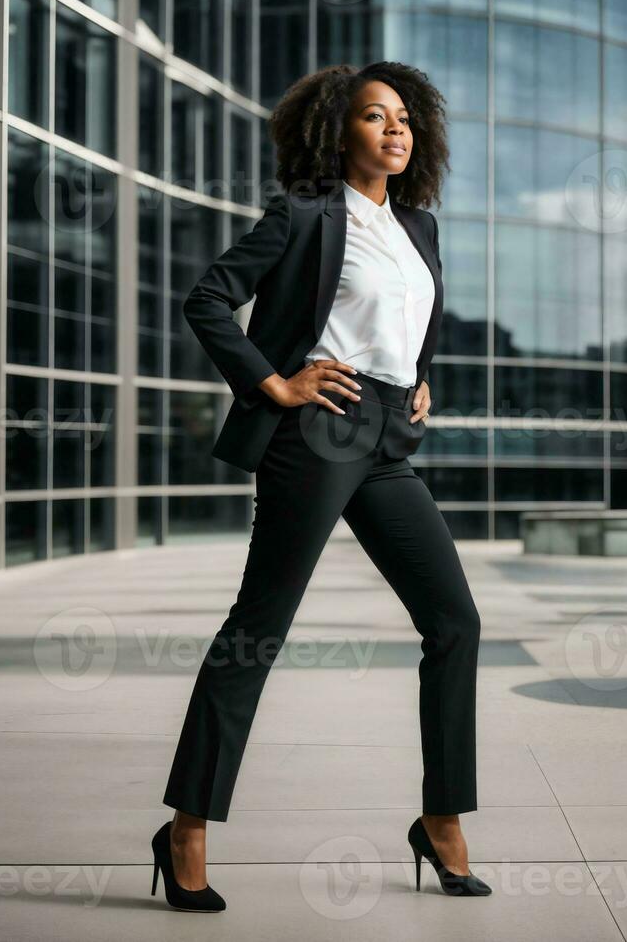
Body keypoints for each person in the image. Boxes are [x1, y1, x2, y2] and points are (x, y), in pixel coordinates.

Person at [151, 63, 491, 911]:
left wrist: (421, 378)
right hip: (318, 430)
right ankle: (186, 829)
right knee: (257, 630)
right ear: (338, 131)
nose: (395, 130)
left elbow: (412, 323)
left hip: (387, 439)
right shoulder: (305, 215)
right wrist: (274, 384)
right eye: (375, 117)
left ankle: (440, 819)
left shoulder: (419, 225)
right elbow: (208, 299)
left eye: (405, 118)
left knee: (454, 622)